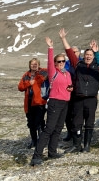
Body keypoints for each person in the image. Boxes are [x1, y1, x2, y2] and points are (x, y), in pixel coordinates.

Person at [30, 37, 73, 166]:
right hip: (55, 102)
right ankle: (36, 156)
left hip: (65, 103)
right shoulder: (53, 72)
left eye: (63, 61)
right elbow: (49, 61)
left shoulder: (67, 73)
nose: (61, 63)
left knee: (58, 128)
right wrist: (50, 47)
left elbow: (69, 86)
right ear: (55, 63)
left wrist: (70, 88)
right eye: (58, 61)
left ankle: (52, 152)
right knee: (49, 129)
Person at [59, 29, 99, 153]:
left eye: (90, 55)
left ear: (93, 57)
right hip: (78, 99)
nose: (88, 56)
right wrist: (63, 39)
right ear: (84, 56)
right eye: (87, 54)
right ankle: (76, 145)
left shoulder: (97, 65)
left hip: (91, 99)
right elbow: (70, 52)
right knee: (77, 123)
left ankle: (87, 145)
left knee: (89, 123)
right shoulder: (78, 63)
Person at [18, 58, 48, 149]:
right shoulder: (26, 75)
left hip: (40, 102)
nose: (34, 66)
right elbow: (20, 87)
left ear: (39, 65)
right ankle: (34, 141)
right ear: (29, 65)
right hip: (29, 102)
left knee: (39, 122)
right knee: (31, 123)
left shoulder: (43, 72)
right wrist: (28, 83)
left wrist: (35, 81)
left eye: (36, 64)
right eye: (32, 64)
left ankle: (41, 141)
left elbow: (44, 79)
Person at [62, 47, 78, 142]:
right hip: (68, 92)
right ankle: (69, 132)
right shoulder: (66, 63)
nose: (73, 53)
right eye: (72, 52)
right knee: (67, 114)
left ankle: (77, 131)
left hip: (79, 92)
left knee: (78, 114)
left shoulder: (82, 62)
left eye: (75, 51)